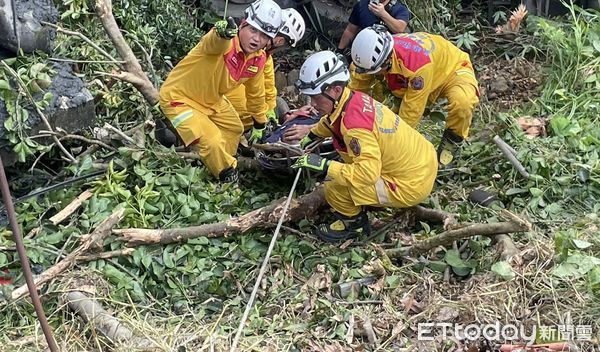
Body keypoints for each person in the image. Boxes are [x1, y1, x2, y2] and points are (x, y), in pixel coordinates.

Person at [291, 51, 438, 242]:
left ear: (335, 90)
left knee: (333, 187)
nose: (313, 104)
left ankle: (355, 226)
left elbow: (367, 174)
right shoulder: (352, 99)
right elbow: (331, 121)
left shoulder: (355, 128)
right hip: (422, 160)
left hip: (410, 184)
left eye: (317, 98)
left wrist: (325, 165)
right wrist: (311, 135)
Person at [158, 0, 282, 183]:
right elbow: (214, 41)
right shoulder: (226, 42)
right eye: (253, 30)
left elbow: (255, 94)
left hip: (211, 100)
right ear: (242, 24)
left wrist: (260, 122)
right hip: (179, 98)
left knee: (234, 128)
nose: (257, 39)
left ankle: (215, 162)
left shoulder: (258, 60)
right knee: (212, 140)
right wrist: (221, 32)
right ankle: (226, 175)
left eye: (264, 35)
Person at [349, 25, 480, 167]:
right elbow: (355, 91)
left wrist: (396, 147)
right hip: (408, 79)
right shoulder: (364, 61)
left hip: (452, 71)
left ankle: (452, 140)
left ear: (387, 59)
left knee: (462, 103)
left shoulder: (416, 63)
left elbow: (411, 111)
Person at [226, 8, 306, 140]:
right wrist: (261, 118)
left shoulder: (264, 57)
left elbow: (269, 87)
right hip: (228, 111)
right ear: (279, 41)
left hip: (240, 113)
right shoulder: (243, 48)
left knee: (275, 102)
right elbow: (252, 95)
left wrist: (269, 112)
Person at [336, 0, 410, 54]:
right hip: (361, 50)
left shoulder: (399, 9)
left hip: (385, 56)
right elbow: (350, 31)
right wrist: (339, 51)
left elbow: (400, 28)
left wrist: (383, 14)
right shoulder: (362, 4)